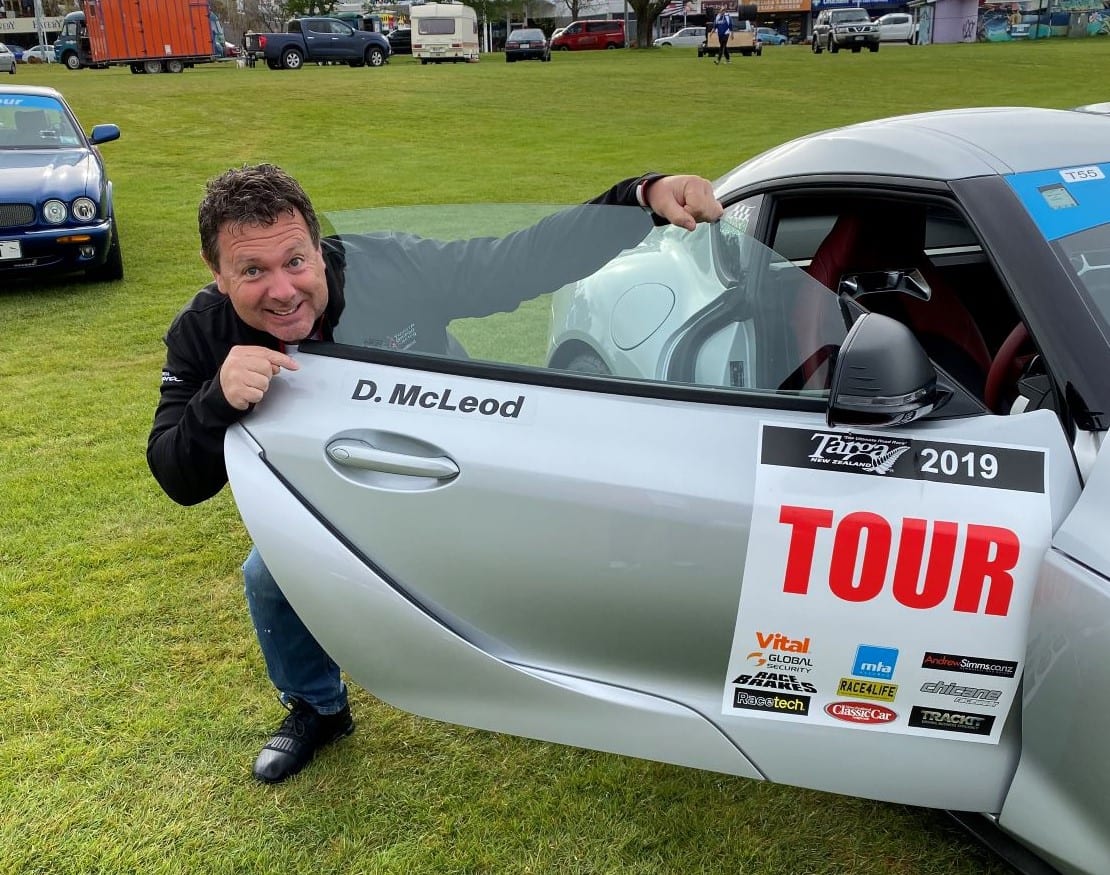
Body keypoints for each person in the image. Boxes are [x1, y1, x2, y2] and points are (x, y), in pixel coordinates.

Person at [147, 164, 723, 784]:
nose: (283, 290)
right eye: (252, 272)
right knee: (267, 577)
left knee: (569, 539)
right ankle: (317, 708)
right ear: (218, 274)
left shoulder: (391, 268)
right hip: (339, 499)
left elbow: (518, 262)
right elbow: (177, 476)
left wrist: (637, 200)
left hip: (453, 467)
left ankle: (619, 681)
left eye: (296, 261)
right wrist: (216, 400)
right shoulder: (202, 332)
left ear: (319, 247)